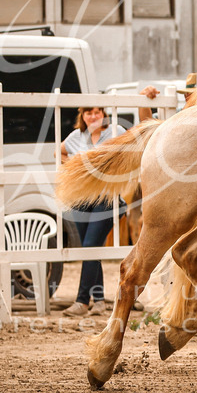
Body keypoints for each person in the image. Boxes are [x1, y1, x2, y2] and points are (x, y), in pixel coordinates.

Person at [61, 106, 126, 317]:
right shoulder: (76, 136)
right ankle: (98, 301)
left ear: (103, 114)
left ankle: (81, 301)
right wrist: (72, 165)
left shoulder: (115, 130)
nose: (93, 116)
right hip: (83, 197)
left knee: (90, 246)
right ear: (83, 116)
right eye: (88, 113)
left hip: (107, 197)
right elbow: (60, 151)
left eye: (97, 112)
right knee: (91, 248)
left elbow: (131, 148)